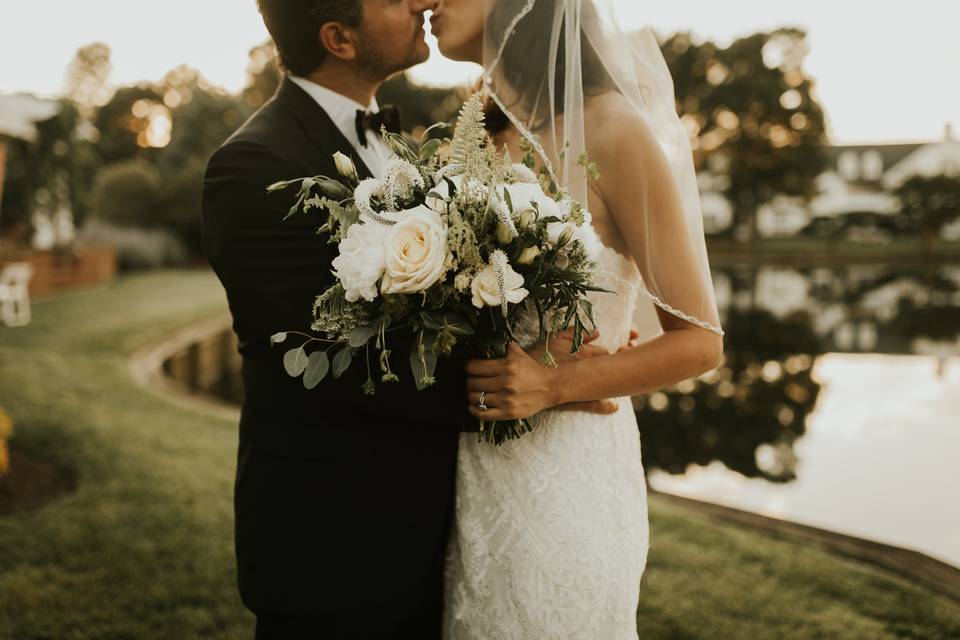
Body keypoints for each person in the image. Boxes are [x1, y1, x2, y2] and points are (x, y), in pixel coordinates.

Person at [202, 1, 619, 637]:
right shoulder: (254, 165)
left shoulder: (408, 143)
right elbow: (346, 363)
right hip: (334, 546)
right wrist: (542, 384)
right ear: (338, 38)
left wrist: (552, 332)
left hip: (438, 527)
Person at [431, 0, 725, 637]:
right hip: (470, 479)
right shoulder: (477, 138)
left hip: (566, 486)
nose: (429, 1)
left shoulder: (613, 128)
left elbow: (701, 343)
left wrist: (559, 383)